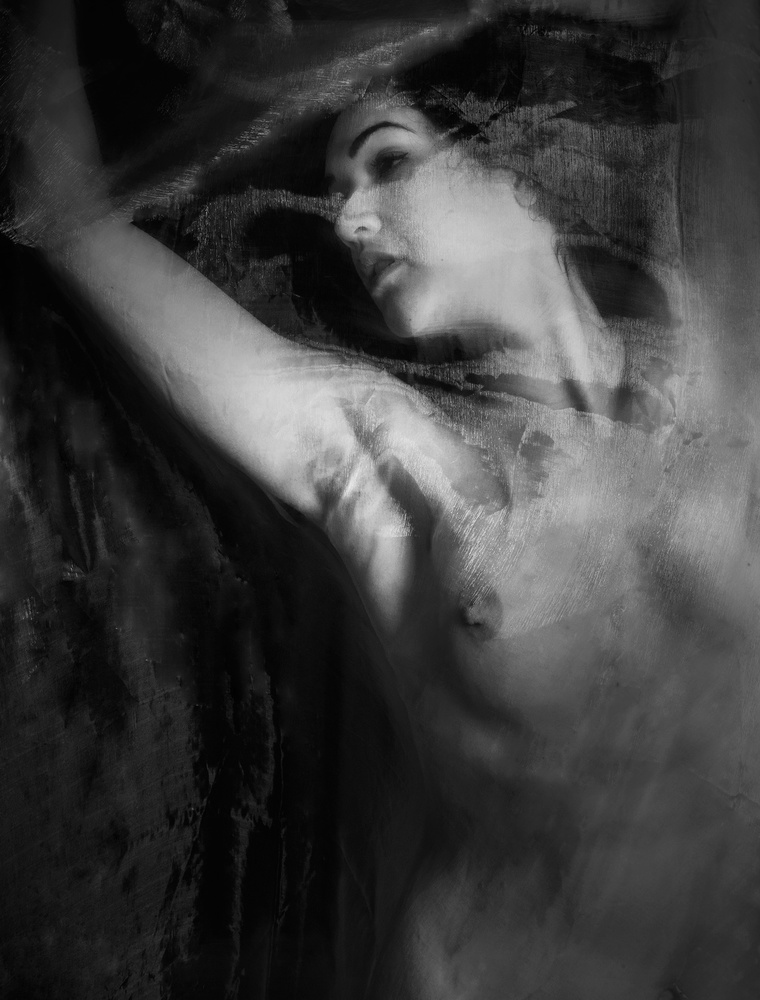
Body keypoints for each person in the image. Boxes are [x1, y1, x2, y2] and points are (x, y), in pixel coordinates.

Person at [8, 3, 760, 997]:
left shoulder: (715, 367)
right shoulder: (397, 460)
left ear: (522, 175)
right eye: (336, 192)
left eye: (389, 162)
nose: (347, 220)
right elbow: (66, 216)